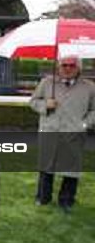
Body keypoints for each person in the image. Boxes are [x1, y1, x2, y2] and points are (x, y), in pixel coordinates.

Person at [29, 56, 95, 211]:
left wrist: (84, 124)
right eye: (64, 65)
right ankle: (43, 197)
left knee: (71, 169)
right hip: (50, 130)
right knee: (46, 166)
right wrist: (46, 104)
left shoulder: (89, 87)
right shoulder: (47, 83)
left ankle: (66, 200)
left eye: (71, 65)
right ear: (59, 67)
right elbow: (33, 102)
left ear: (78, 68)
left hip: (74, 132)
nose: (67, 68)